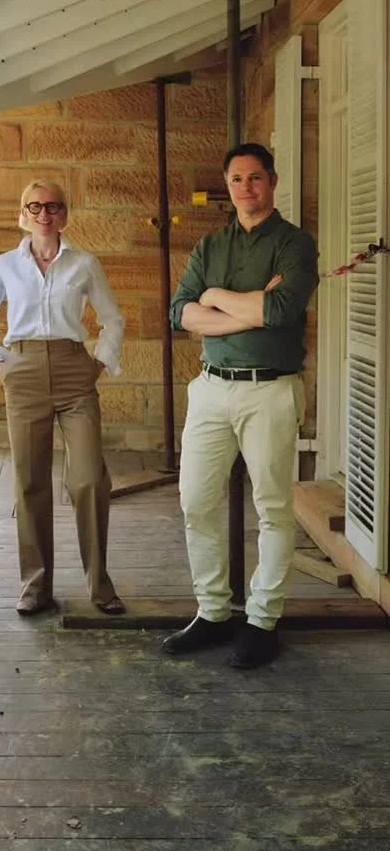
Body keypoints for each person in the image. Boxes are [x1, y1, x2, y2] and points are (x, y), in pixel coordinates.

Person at [164, 143, 318, 668]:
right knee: (195, 502)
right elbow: (180, 312)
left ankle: (261, 620)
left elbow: (281, 310)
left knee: (272, 507)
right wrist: (248, 309)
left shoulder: (295, 244)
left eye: (255, 177)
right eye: (236, 179)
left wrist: (214, 297)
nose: (246, 187)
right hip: (211, 388)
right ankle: (212, 613)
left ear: (272, 181)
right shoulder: (210, 246)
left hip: (269, 390)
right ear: (227, 186)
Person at [0, 179, 126, 616]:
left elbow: (113, 319)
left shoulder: (84, 263)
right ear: (23, 214)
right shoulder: (6, 265)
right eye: (34, 206)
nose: (44, 214)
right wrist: (0, 366)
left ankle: (100, 585)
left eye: (53, 206)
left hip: (74, 369)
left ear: (65, 214)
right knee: (30, 480)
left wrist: (98, 363)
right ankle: (36, 586)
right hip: (23, 371)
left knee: (89, 478)